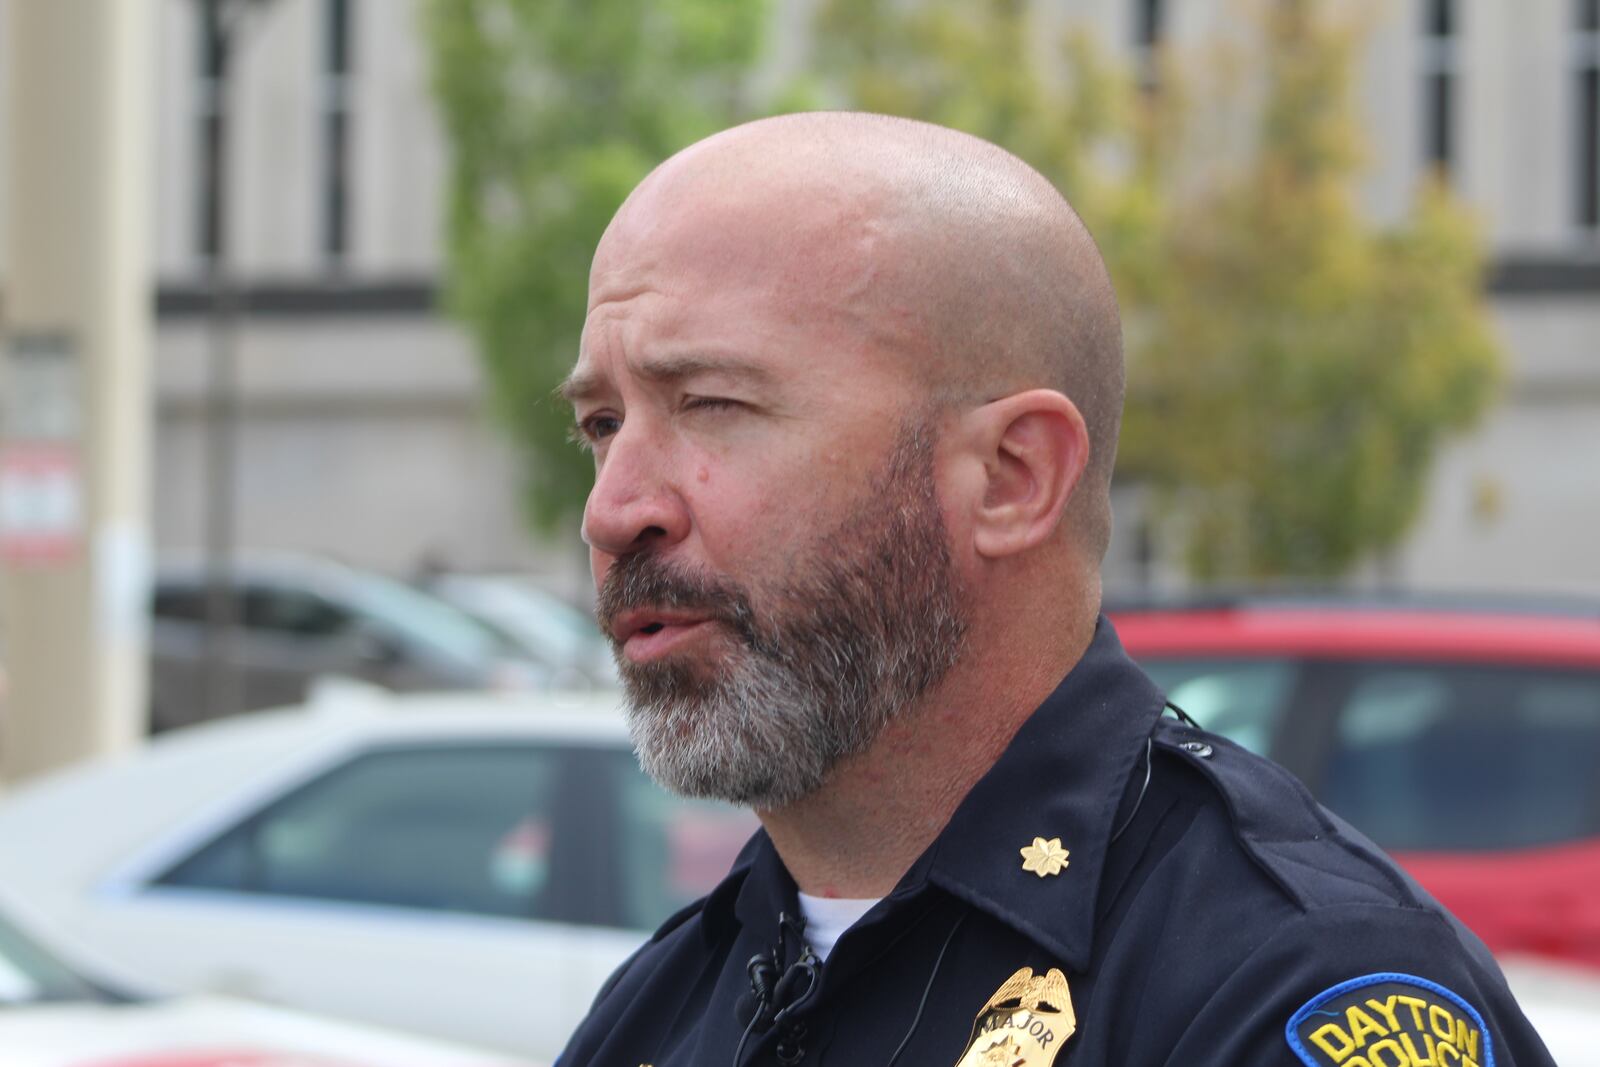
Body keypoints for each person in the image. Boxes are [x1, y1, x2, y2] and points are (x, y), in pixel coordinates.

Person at [555, 112, 1554, 1067]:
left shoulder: (1286, 985)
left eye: (713, 403)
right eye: (602, 424)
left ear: (1012, 477)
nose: (614, 509)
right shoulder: (666, 999)